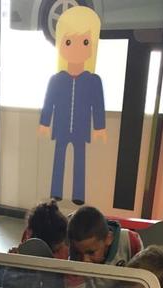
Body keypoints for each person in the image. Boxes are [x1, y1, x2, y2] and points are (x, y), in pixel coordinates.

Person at [39, 6, 106, 204]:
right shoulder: (56, 79)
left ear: (92, 46)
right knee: (58, 158)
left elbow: (98, 104)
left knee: (79, 160)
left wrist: (99, 127)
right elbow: (49, 101)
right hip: (61, 127)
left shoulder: (93, 80)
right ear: (61, 45)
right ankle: (56, 191)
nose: (76, 48)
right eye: (69, 42)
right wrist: (44, 123)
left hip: (80, 128)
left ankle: (78, 194)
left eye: (84, 42)